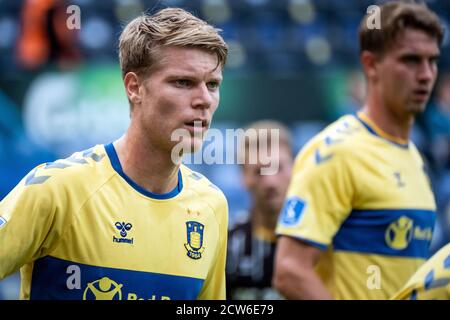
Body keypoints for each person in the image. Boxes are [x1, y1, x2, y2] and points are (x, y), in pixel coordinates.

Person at [0, 8, 229, 300]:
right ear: (134, 87)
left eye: (213, 85)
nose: (204, 100)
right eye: (183, 82)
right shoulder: (57, 189)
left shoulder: (212, 206)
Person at [273, 1, 443, 300]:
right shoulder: (337, 151)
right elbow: (290, 271)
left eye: (432, 60)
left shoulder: (414, 156)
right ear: (371, 64)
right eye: (411, 60)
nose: (426, 74)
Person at [226, 121, 293, 300]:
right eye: (259, 171)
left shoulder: (322, 240)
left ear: (295, 169)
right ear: (243, 177)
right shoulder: (225, 244)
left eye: (278, 168)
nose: (270, 182)